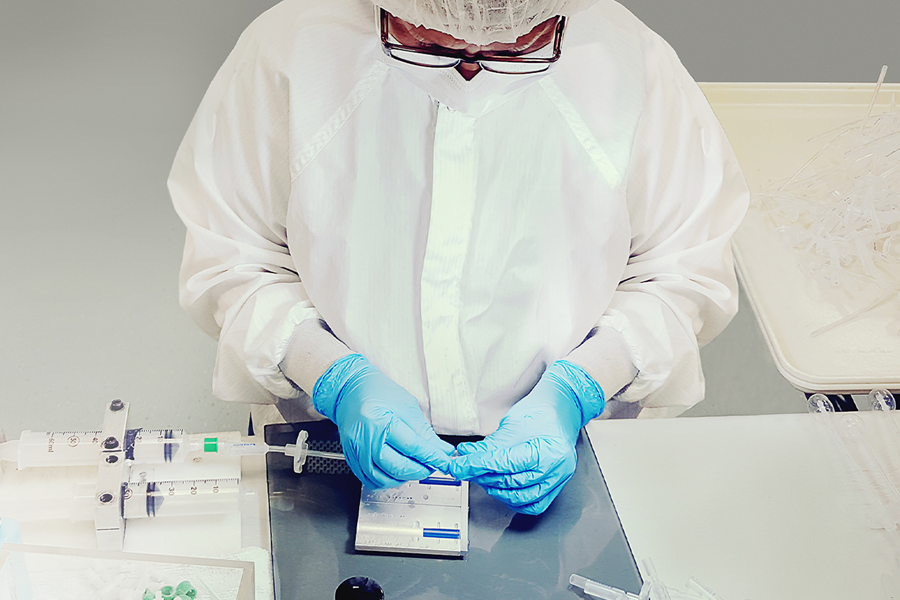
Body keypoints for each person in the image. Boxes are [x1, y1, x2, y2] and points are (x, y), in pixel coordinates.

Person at [168, 0, 749, 515]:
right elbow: (234, 259)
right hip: (327, 447)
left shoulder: (634, 65)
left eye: (514, 46)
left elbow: (682, 274)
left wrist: (579, 388)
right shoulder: (291, 50)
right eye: (432, 44)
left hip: (575, 454)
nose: (471, 67)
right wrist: (337, 379)